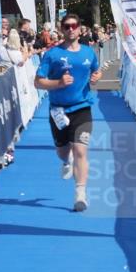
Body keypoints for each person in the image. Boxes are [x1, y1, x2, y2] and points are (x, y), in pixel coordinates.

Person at [34, 13, 101, 212]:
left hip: (82, 107)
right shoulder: (52, 54)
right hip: (59, 111)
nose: (71, 29)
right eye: (67, 26)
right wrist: (58, 83)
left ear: (80, 28)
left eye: (74, 25)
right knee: (63, 151)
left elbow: (96, 71)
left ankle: (80, 193)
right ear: (62, 29)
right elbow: (37, 82)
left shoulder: (89, 53)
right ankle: (66, 161)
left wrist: (97, 76)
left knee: (80, 150)